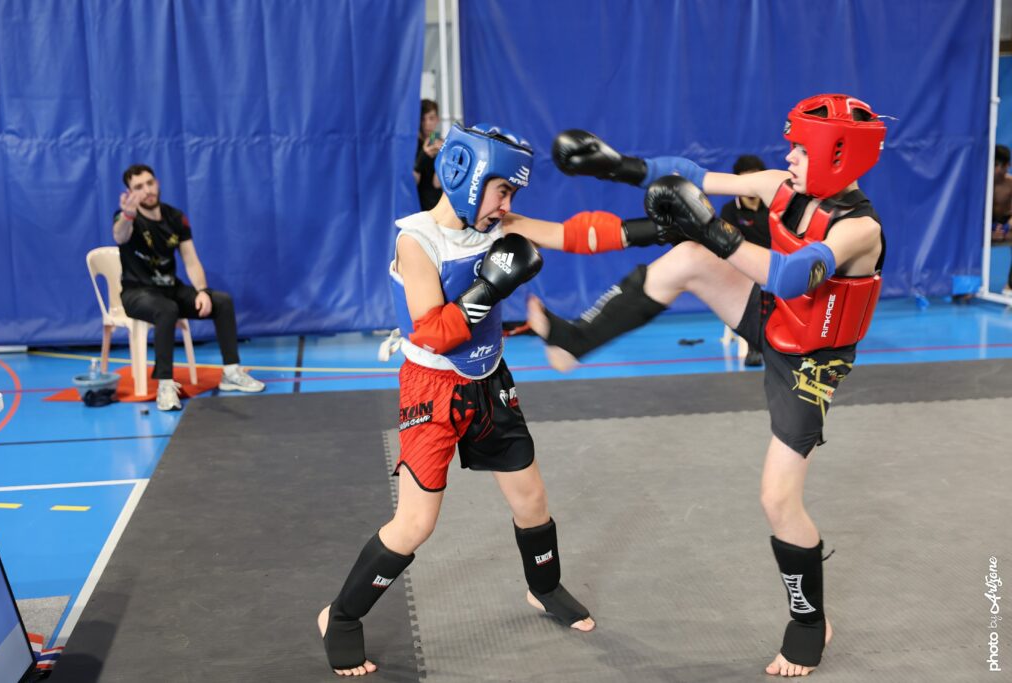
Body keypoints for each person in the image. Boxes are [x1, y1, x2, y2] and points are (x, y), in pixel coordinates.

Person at [528, 94, 887, 677]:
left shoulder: (860, 230)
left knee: (778, 500)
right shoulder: (780, 186)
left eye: (801, 149)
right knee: (688, 256)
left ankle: (809, 623)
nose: (789, 157)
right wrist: (615, 165)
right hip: (771, 317)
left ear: (837, 155)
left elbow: (792, 275)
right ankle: (574, 340)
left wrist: (716, 230)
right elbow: (694, 176)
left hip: (810, 362)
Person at [317, 122, 678, 677]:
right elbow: (431, 332)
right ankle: (340, 616)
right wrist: (491, 287)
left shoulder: (497, 223)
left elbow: (573, 234)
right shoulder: (417, 241)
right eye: (503, 190)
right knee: (415, 523)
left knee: (531, 498)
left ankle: (544, 587)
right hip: (432, 390)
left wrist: (653, 230)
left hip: (490, 378)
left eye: (512, 194)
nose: (508, 205)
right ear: (467, 176)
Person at [112, 164, 265, 411]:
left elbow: (191, 260)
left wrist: (202, 291)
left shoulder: (175, 217)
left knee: (221, 301)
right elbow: (120, 236)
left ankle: (231, 372)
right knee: (167, 309)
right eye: (138, 187)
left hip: (170, 289)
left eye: (150, 183)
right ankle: (165, 385)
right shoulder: (126, 218)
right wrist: (127, 215)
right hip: (137, 293)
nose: (147, 190)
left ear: (157, 183)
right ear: (129, 193)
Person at [720, 154, 771, 366]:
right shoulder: (729, 211)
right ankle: (754, 344)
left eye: (756, 179)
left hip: (775, 265)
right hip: (744, 270)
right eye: (746, 180)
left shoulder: (776, 207)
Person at [413, 99, 444, 210]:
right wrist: (423, 157)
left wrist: (442, 155)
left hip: (436, 207)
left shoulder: (442, 144)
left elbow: (437, 184)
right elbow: (412, 182)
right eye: (423, 119)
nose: (427, 123)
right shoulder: (412, 145)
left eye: (431, 118)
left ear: (437, 119)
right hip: (416, 207)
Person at [992, 145, 1012, 293]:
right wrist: (989, 229)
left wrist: (1007, 227)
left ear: (1007, 166)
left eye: (999, 165)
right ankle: (964, 288)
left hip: (1005, 224)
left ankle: (1011, 285)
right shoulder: (980, 182)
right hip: (982, 225)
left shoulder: (1011, 183)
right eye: (993, 165)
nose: (995, 170)